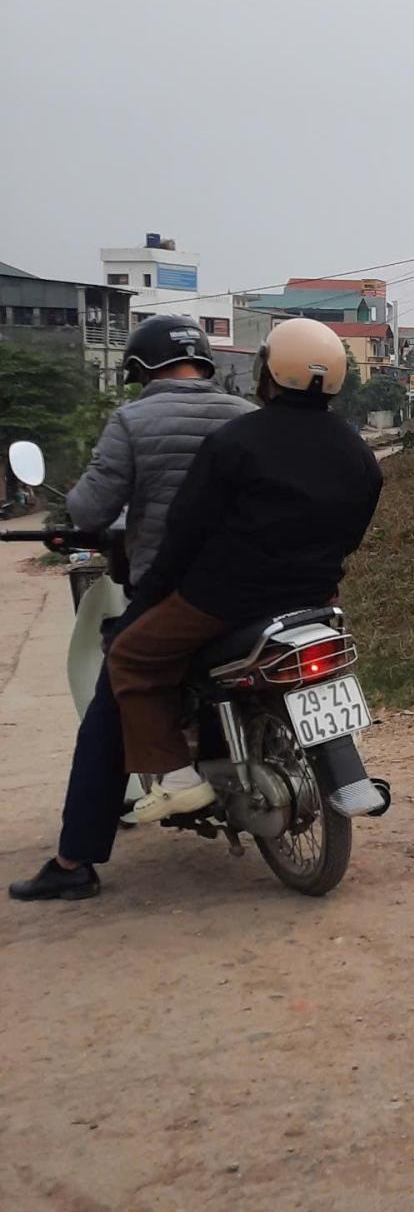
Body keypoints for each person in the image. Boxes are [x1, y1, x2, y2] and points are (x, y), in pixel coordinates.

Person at [104, 317, 383, 830]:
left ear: (268, 373)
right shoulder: (359, 453)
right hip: (314, 597)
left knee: (131, 656)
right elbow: (350, 535)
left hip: (223, 600)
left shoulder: (235, 442)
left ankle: (177, 779)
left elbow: (184, 532)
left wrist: (146, 602)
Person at [9, 316, 252, 903]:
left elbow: (91, 510)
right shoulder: (247, 416)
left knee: (112, 700)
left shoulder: (132, 420)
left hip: (170, 591)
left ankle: (74, 860)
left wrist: (75, 503)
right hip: (253, 587)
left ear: (140, 368)